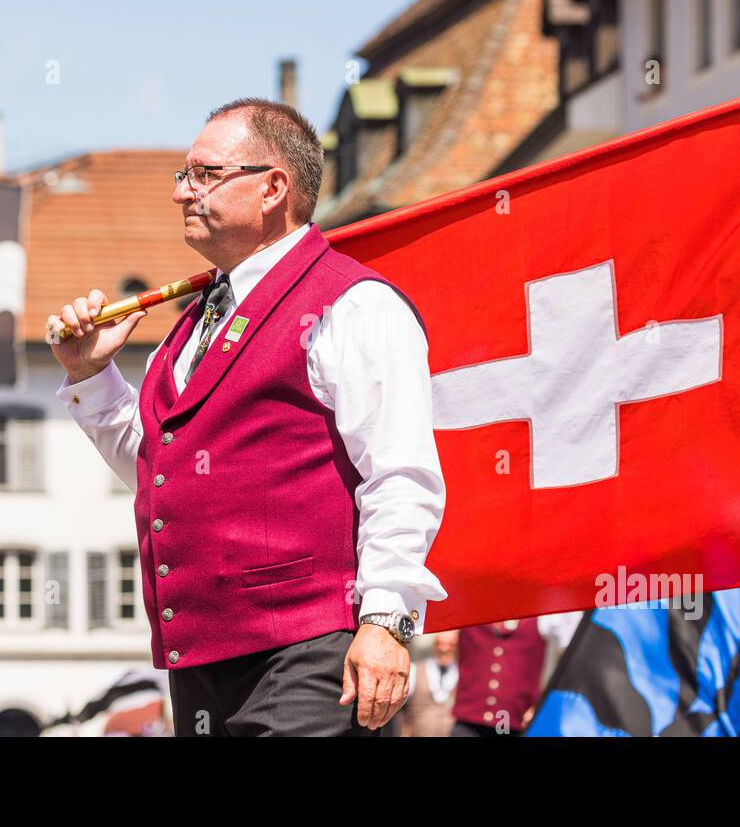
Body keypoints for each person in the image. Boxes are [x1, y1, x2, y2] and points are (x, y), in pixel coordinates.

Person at [48, 98, 446, 736]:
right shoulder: (195, 321)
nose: (183, 193)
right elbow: (163, 469)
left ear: (272, 188)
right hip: (203, 660)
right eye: (183, 176)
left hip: (310, 650)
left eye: (205, 175)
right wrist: (90, 376)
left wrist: (386, 620)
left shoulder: (353, 303)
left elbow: (400, 474)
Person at [448, 613, 580, 736]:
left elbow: (570, 655)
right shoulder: (469, 606)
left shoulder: (544, 615)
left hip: (514, 724)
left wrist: (542, 704)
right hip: (468, 722)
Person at [397, 632, 460, 737]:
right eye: (439, 644)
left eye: (451, 644)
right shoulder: (415, 671)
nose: (444, 649)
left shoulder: (464, 674)